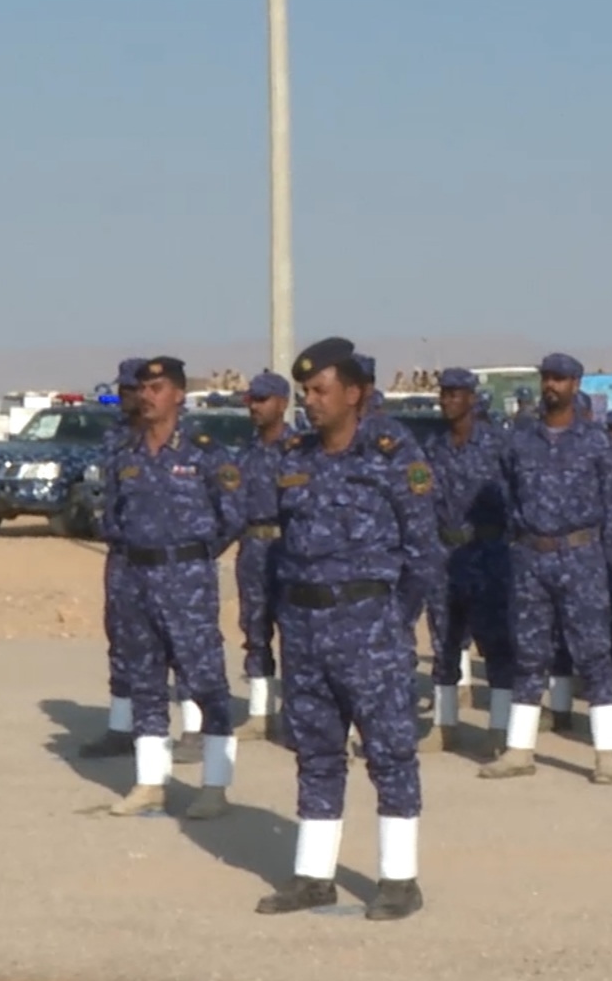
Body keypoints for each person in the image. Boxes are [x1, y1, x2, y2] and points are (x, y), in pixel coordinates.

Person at [249, 337, 441, 919]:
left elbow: (423, 552)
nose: (309, 401)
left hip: (368, 626)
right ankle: (314, 875)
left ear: (354, 393)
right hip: (304, 628)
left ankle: (399, 880)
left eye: (320, 390)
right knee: (316, 751)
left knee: (389, 752)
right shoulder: (295, 457)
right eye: (304, 391)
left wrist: (392, 619)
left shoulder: (392, 453)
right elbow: (279, 546)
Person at [98, 358, 244, 818]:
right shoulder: (126, 454)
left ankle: (215, 784)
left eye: (157, 387)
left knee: (204, 680)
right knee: (145, 680)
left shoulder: (205, 452)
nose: (147, 396)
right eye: (143, 388)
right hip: (135, 578)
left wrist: (193, 555)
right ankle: (150, 782)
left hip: (187, 581)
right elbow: (112, 516)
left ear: (179, 394)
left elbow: (233, 515)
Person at [480, 354, 612, 785]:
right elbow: (508, 493)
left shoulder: (596, 442)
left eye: (560, 379)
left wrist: (605, 558)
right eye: (547, 378)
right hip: (531, 557)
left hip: (581, 556)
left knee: (593, 654)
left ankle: (607, 753)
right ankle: (519, 750)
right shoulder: (519, 440)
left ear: (575, 384)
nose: (551, 386)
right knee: (528, 654)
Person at [423, 368, 517, 755]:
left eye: (455, 394)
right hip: (444, 554)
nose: (447, 400)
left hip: (487, 552)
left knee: (496, 644)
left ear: (472, 399)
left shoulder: (498, 444)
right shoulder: (434, 446)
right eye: (444, 394)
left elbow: (518, 494)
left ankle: (499, 728)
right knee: (444, 641)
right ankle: (445, 724)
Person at [79, 360, 152, 756]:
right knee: (120, 638)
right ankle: (122, 726)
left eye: (131, 390)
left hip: (168, 561)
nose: (125, 397)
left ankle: (195, 730)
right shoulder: (115, 437)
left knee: (181, 644)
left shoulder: (174, 438)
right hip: (122, 555)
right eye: (122, 390)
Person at [233, 371, 296, 740]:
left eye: (262, 400)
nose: (254, 407)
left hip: (290, 548)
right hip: (254, 548)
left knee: (296, 632)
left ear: (282, 403)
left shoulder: (299, 449)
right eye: (251, 401)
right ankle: (260, 712)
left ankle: (297, 713)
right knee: (255, 627)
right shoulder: (247, 452)